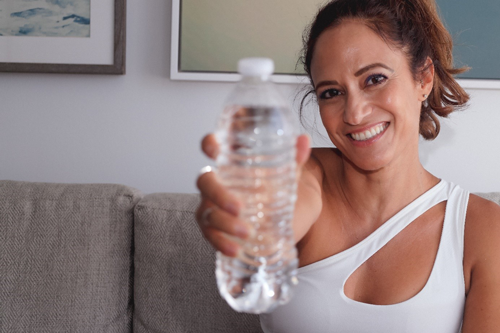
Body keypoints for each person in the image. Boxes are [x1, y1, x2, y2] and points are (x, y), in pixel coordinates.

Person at [196, 0, 500, 331]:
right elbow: (282, 208)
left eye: (374, 79)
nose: (354, 113)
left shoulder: (482, 229)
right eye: (331, 93)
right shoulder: (303, 174)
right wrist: (256, 230)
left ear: (424, 78)